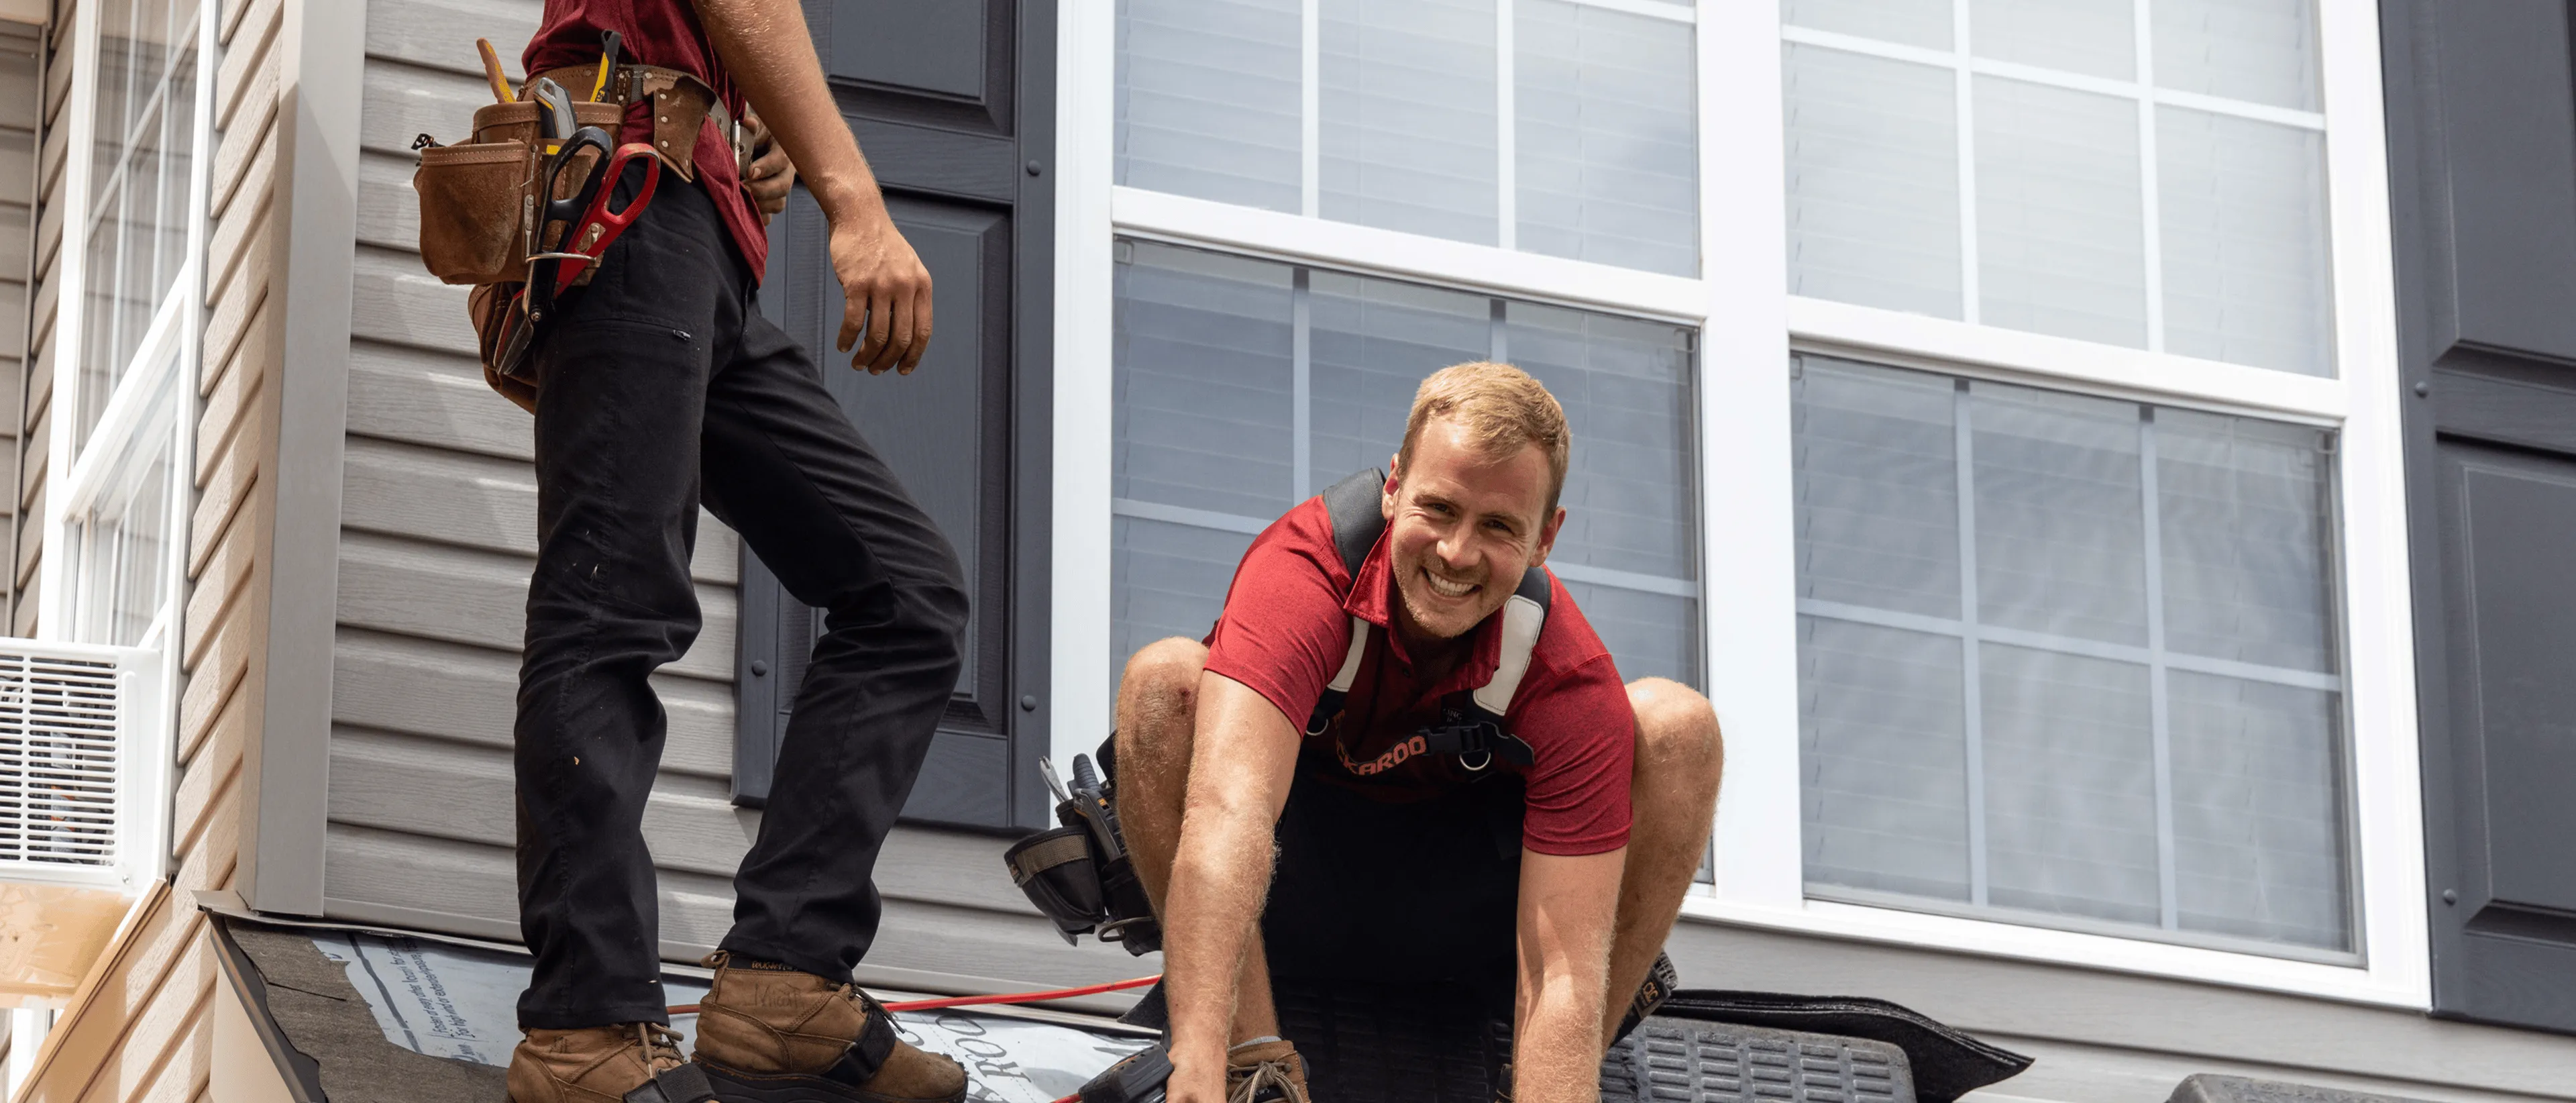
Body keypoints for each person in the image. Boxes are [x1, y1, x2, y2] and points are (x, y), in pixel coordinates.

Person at [500, 1, 973, 1100]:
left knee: (908, 591)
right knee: (612, 598)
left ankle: (783, 979)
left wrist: (732, 131)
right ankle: (583, 1027)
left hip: (689, 226)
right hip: (619, 193)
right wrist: (854, 202)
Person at [1114, 362, 1727, 1103]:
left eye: (1499, 526)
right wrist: (1199, 1062)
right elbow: (1229, 815)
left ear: (1546, 538)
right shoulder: (1302, 574)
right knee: (1164, 680)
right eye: (1439, 508)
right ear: (1395, 486)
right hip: (1284, 892)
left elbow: (1561, 971)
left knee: (1679, 727)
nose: (1457, 553)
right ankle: (1252, 1068)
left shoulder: (1566, 675)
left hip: (1466, 924)